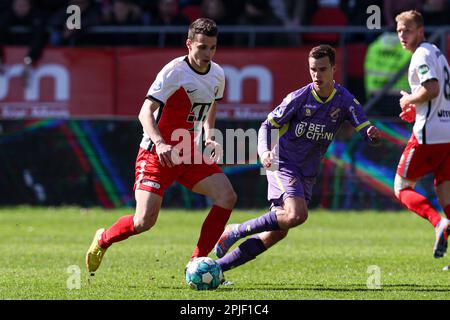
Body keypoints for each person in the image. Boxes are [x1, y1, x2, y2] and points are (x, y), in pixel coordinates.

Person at [86, 18, 237, 275]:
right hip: (157, 154)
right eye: (201, 47)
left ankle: (197, 263)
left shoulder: (218, 74)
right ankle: (103, 239)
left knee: (227, 196)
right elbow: (145, 112)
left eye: (212, 48)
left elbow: (212, 104)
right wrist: (160, 143)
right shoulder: (174, 72)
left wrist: (208, 136)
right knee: (143, 221)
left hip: (188, 151)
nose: (207, 54)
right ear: (189, 44)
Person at [213, 44, 381, 274]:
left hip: (307, 172)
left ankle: (218, 268)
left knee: (278, 231)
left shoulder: (344, 100)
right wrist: (264, 152)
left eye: (322, 69)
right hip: (283, 163)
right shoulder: (299, 98)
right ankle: (236, 230)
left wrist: (372, 135)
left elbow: (365, 128)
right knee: (297, 214)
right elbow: (267, 125)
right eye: (313, 69)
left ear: (334, 69)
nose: (317, 75)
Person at [393, 10, 450, 259]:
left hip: (429, 135)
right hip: (447, 132)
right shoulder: (437, 53)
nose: (402, 36)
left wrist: (408, 100)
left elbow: (432, 88)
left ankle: (438, 223)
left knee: (402, 187)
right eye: (399, 31)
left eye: (407, 30)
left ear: (420, 31)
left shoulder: (422, 54)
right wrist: (417, 108)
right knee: (444, 188)